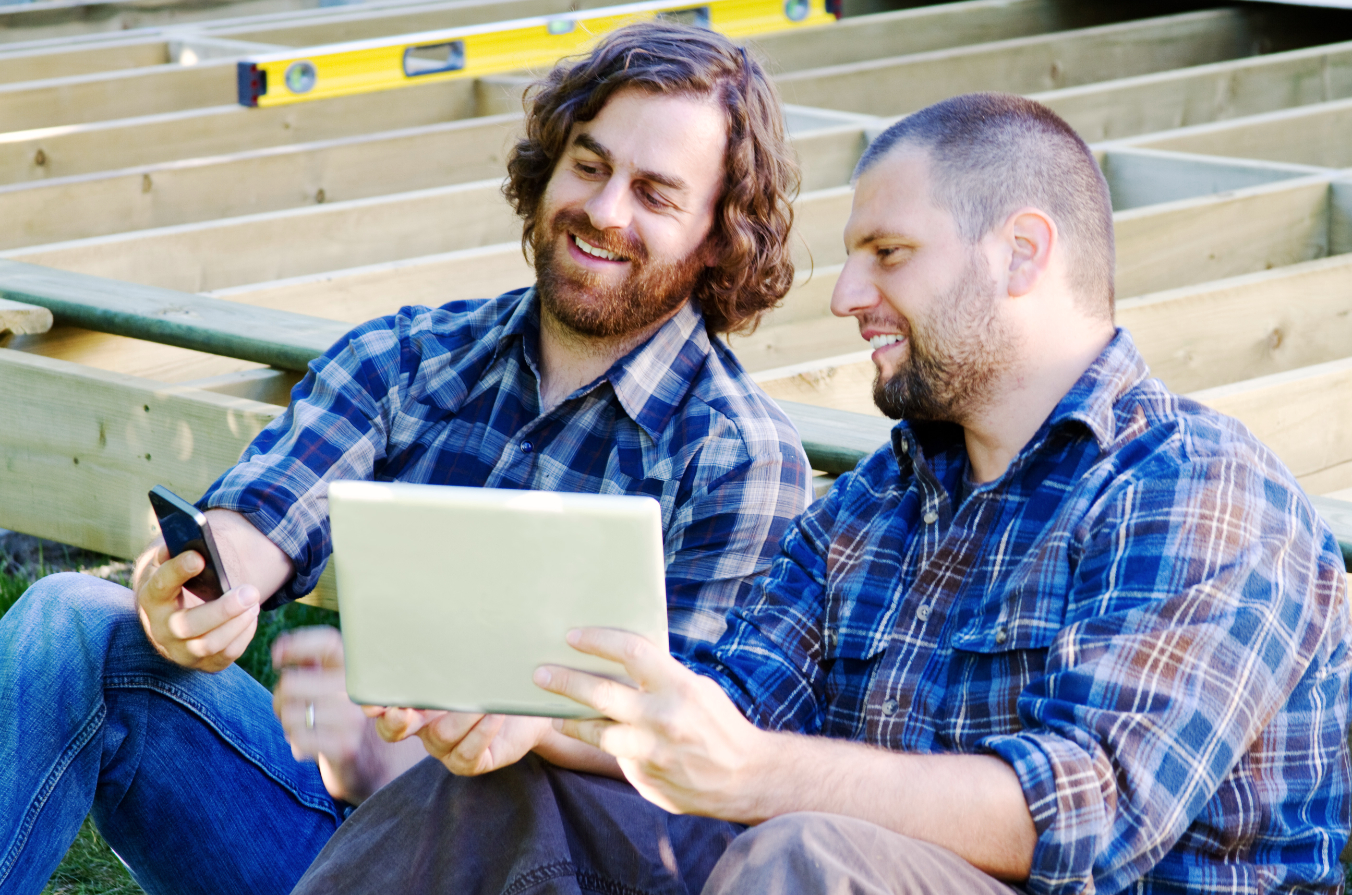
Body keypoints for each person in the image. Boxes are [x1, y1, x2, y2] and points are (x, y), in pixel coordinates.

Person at [293, 93, 1352, 895]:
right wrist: (522, 715)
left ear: (1022, 253)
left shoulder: (1196, 490)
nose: (845, 296)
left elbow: (1086, 805)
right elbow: (724, 703)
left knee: (801, 851)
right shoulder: (872, 505)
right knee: (503, 787)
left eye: (886, 254)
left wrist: (755, 775)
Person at [0, 23, 814, 895]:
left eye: (655, 194)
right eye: (589, 164)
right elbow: (270, 510)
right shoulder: (412, 357)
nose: (606, 210)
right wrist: (203, 586)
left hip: (536, 861)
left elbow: (706, 742)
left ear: (719, 237)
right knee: (71, 620)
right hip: (336, 830)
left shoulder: (742, 459)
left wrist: (526, 726)